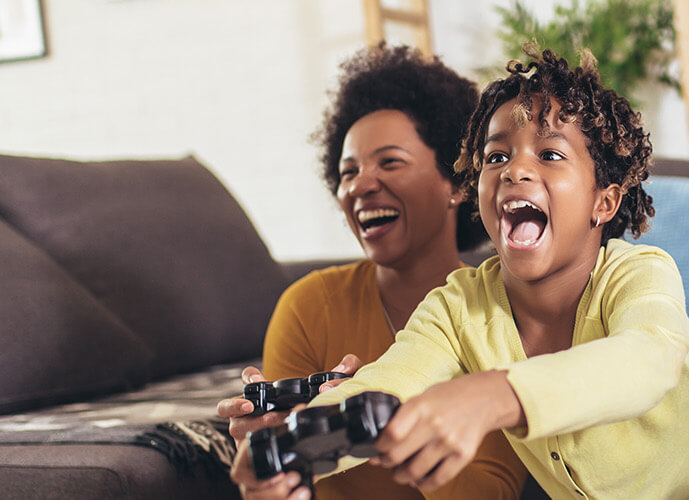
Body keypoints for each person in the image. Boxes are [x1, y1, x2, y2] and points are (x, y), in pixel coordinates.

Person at [230, 47, 689, 500]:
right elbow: (384, 389)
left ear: (604, 201)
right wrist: (292, 449)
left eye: (550, 155)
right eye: (496, 157)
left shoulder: (636, 272)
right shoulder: (457, 306)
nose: (515, 168)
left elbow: (646, 361)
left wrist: (490, 395)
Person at [215, 43, 528, 500]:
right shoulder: (308, 307)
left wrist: (384, 427)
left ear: (458, 182)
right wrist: (278, 461)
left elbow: (490, 492)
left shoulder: (503, 315)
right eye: (348, 172)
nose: (360, 185)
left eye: (390, 162)